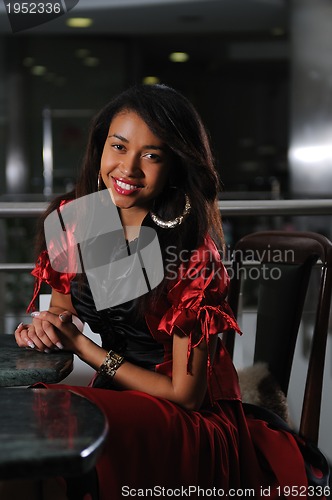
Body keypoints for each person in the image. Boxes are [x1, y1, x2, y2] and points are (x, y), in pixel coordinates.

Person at [7, 84, 309, 499]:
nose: (128, 168)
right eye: (118, 146)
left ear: (174, 166)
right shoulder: (77, 218)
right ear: (100, 150)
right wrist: (43, 329)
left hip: (187, 421)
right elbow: (62, 312)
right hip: (120, 399)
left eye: (152, 155)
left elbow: (185, 396)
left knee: (40, 432)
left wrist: (84, 348)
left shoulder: (192, 252)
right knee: (22, 422)